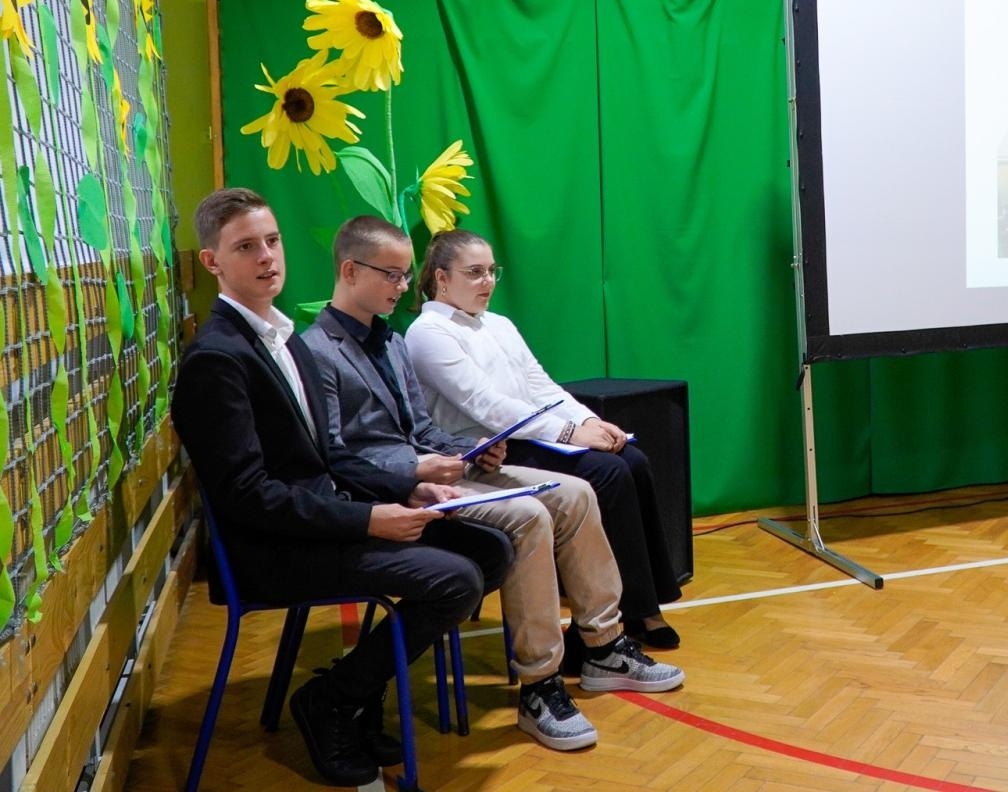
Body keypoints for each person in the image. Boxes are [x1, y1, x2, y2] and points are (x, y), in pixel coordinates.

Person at [301, 216, 684, 753]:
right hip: (393, 491)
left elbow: (422, 427)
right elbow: (334, 455)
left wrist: (465, 450)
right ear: (349, 271)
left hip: (443, 468)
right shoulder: (319, 349)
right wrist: (416, 473)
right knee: (530, 514)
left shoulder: (390, 342)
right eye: (392, 275)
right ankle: (540, 683)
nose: (402, 286)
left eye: (405, 275)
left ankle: (603, 644)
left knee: (576, 493)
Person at [173, 189, 514, 787]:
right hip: (274, 549)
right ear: (212, 263)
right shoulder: (217, 359)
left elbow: (330, 457)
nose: (267, 257)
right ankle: (333, 699)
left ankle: (355, 691)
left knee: (491, 550)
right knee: (455, 580)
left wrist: (406, 489)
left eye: (272, 240)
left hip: (324, 517)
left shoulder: (280, 338)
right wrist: (368, 520)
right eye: (246, 247)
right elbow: (247, 496)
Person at [404, 229, 683, 652]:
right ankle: (609, 622)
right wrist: (569, 433)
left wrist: (590, 421)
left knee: (633, 460)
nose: (488, 281)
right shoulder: (428, 331)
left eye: (492, 271)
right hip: (485, 453)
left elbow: (541, 386)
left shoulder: (498, 324)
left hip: (532, 438)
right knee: (606, 473)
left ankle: (643, 605)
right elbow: (486, 405)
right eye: (475, 272)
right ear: (442, 278)